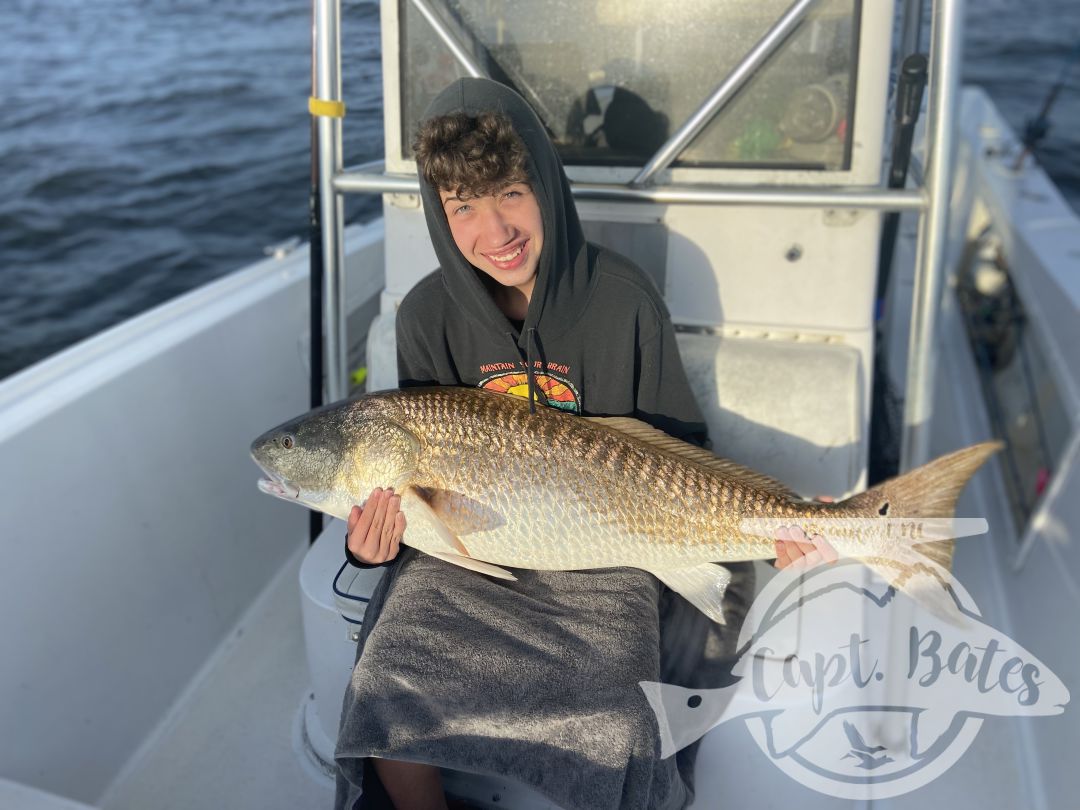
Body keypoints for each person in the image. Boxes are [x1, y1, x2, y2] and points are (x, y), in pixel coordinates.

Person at [335, 77, 806, 810]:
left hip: (611, 541)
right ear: (438, 214)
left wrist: (770, 522)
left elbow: (678, 449)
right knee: (380, 687)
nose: (495, 232)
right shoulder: (427, 315)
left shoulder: (625, 299)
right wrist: (372, 545)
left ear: (548, 188)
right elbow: (413, 478)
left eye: (511, 193)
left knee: (618, 719)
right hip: (469, 554)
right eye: (463, 207)